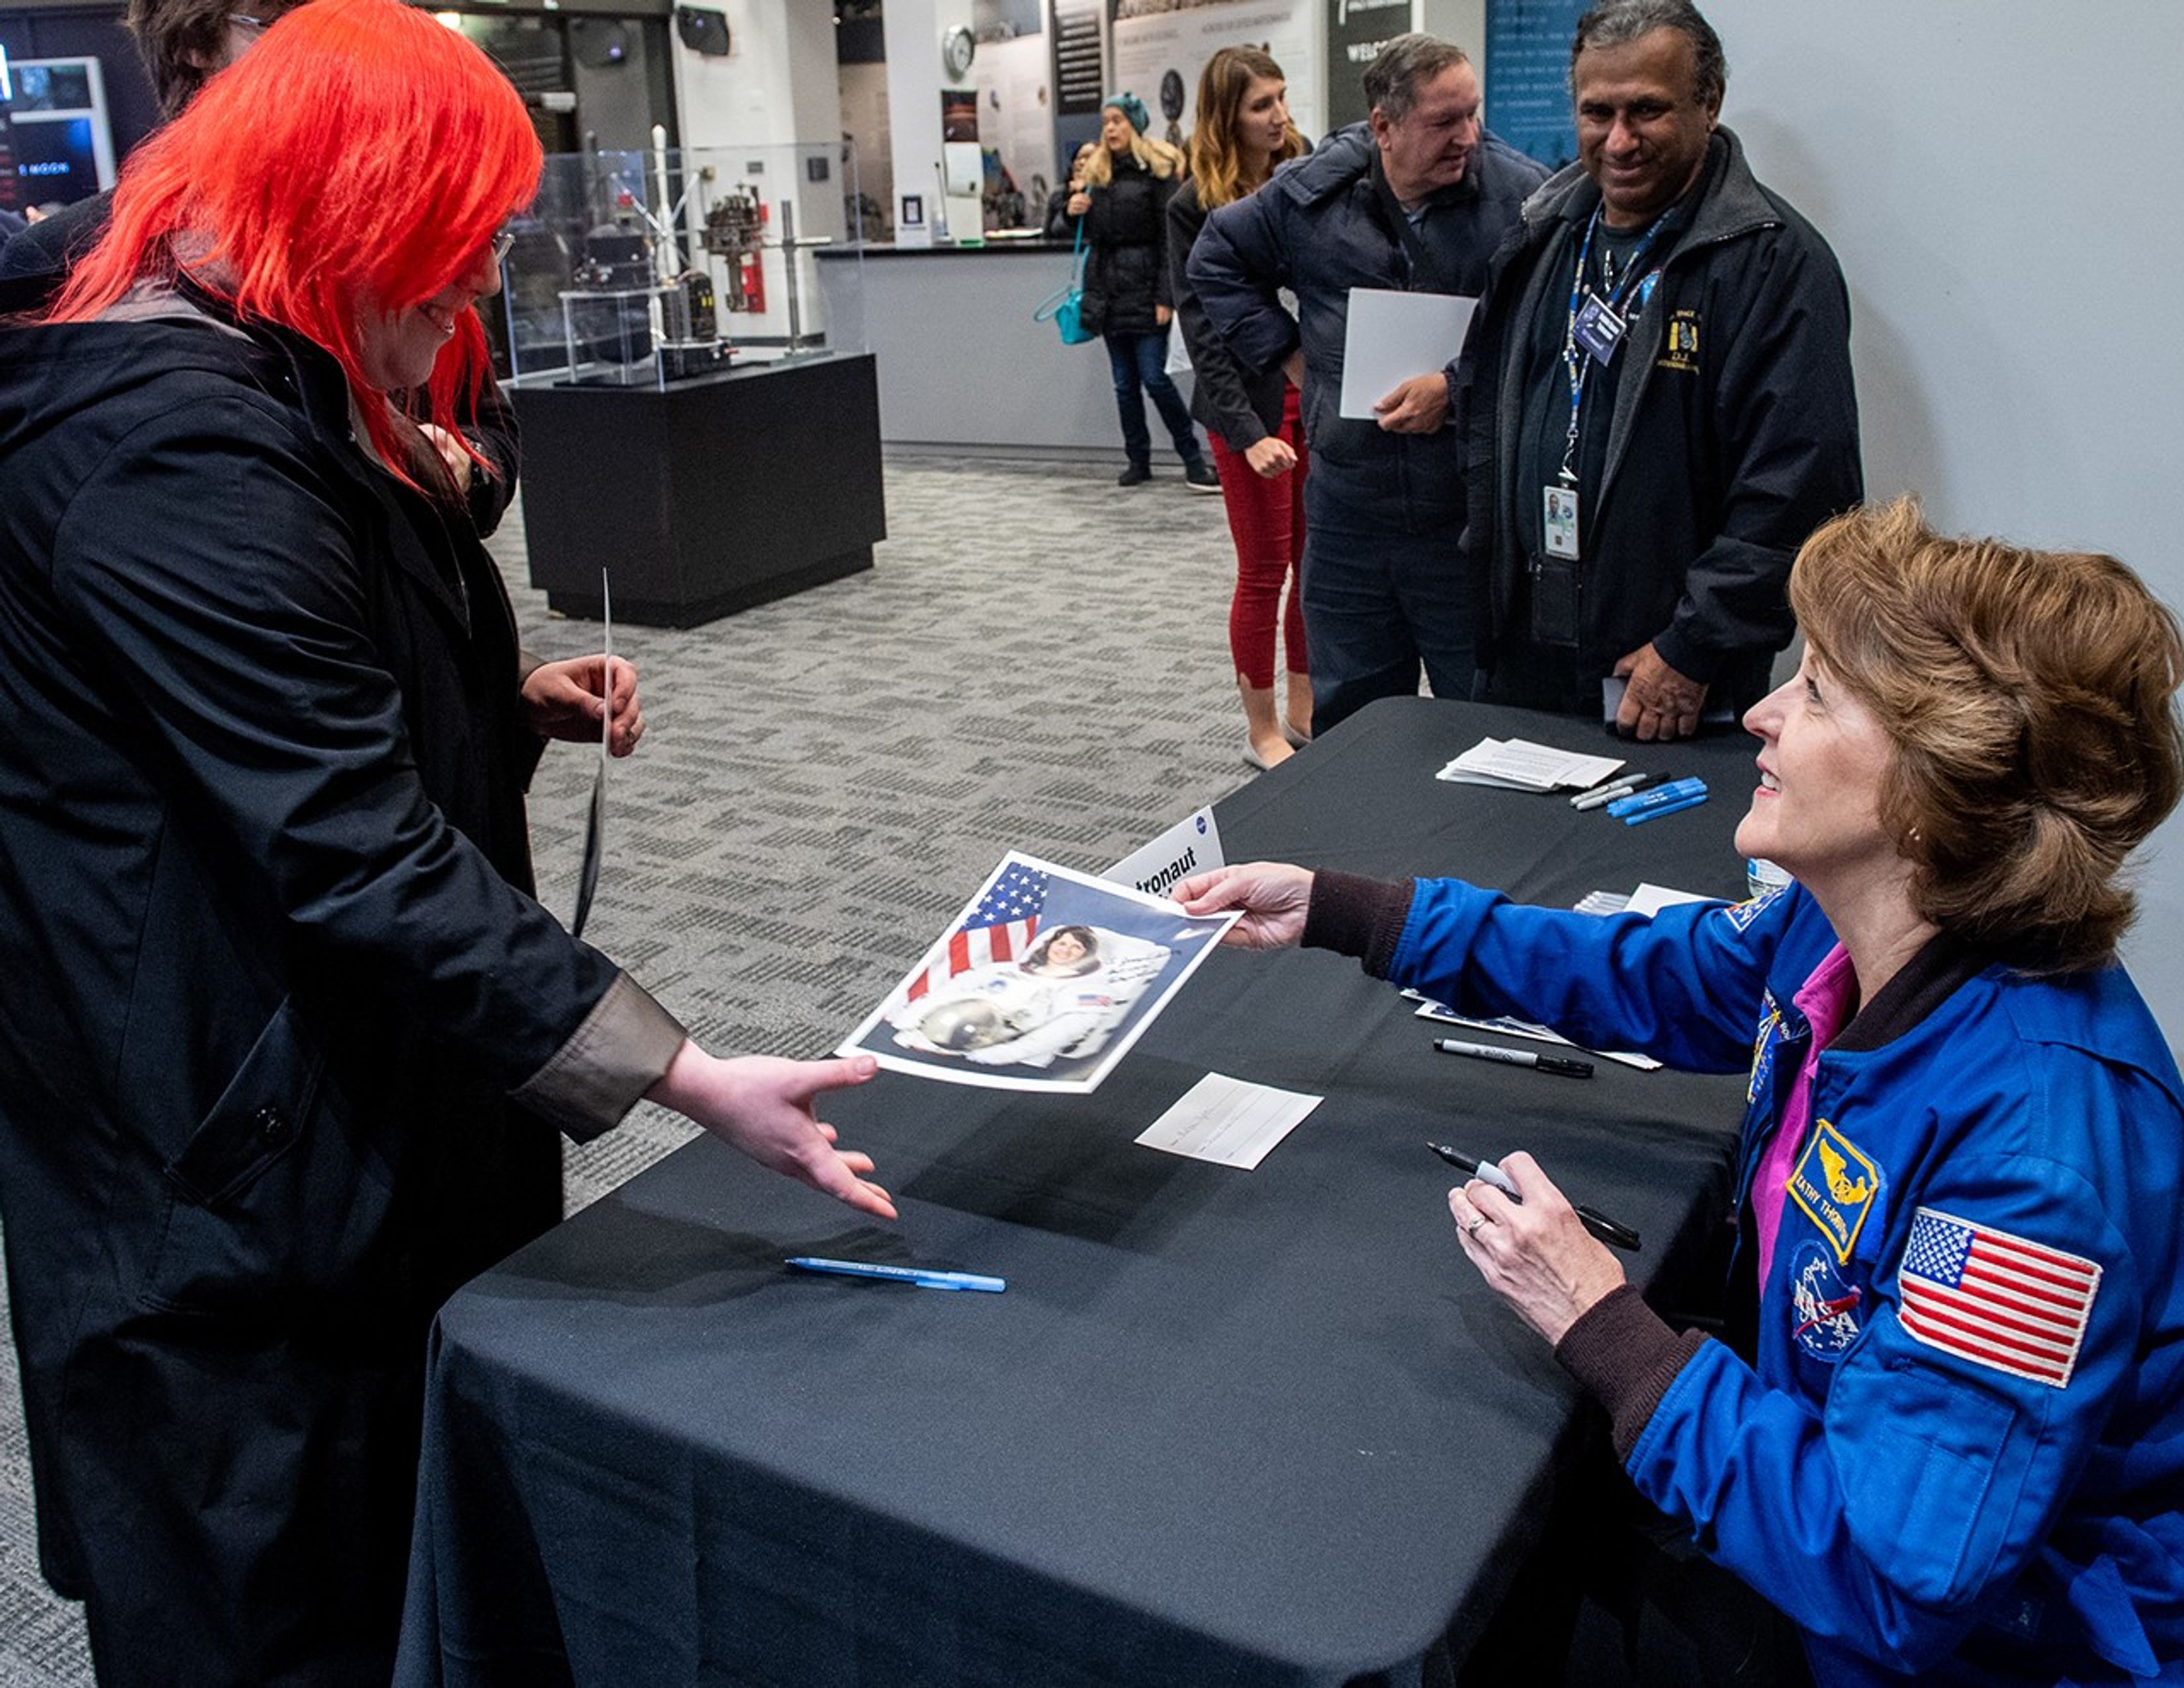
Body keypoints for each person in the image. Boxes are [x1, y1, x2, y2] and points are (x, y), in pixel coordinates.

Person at [0, 4, 893, 1682]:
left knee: (407, 1553)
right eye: (453, 260)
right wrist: (688, 1075)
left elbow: (285, 704)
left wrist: (495, 693)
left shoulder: (251, 363)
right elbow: (341, 843)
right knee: (284, 1603)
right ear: (343, 218)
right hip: (227, 1196)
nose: (478, 300)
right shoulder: (170, 439)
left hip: (312, 1112)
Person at [1179, 498, 2184, 1684]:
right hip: (1820, 1468)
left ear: (1934, 782)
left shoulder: (2037, 1164)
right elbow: (1660, 978)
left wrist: (1605, 1325)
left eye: (1813, 695)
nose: (1758, 714)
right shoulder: (1845, 930)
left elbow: (1890, 1576)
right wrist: (1346, 910)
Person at [1460, 0, 1862, 741]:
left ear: (1708, 104)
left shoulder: (1774, 267)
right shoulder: (1545, 237)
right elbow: (1495, 407)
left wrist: (1693, 646)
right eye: (1597, 112)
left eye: (1647, 111)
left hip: (1665, 674)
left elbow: (1798, 493)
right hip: (1525, 651)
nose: (1618, 140)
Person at [1189, 34, 1547, 737]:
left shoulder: (1523, 199)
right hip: (1350, 517)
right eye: (1444, 122)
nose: (1468, 137)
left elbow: (1545, 330)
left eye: (1472, 114)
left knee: (1486, 725)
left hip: (1466, 521)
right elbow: (1217, 257)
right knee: (1353, 728)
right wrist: (1293, 358)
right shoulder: (1312, 196)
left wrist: (1456, 385)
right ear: (1383, 126)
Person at [1167, 46, 1313, 771]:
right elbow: (1204, 330)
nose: (1280, 115)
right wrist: (1249, 432)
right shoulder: (1193, 202)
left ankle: (1305, 708)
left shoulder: (1307, 169)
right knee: (1265, 570)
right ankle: (1261, 731)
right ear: (1228, 116)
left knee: (1315, 564)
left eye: (1282, 98)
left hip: (1317, 395)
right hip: (1247, 410)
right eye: (1262, 105)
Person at [1066, 91, 1216, 491]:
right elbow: (1076, 235)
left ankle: (1192, 458)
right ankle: (1138, 460)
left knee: (1154, 379)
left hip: (1148, 288)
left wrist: (1167, 296)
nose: (1110, 128)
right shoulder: (1096, 175)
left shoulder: (1159, 171)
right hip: (1107, 291)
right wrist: (1071, 212)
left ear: (1135, 123)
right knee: (1123, 384)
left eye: (1118, 120)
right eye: (1106, 122)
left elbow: (1172, 239)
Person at [889, 924, 1114, 1068]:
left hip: (1002, 1058)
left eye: (1076, 948)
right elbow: (955, 988)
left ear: (1088, 956)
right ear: (1050, 944)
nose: (1065, 950)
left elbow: (1066, 1029)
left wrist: (1005, 1054)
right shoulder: (1004, 969)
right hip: (928, 1038)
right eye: (1061, 942)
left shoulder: (1090, 989)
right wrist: (914, 1017)